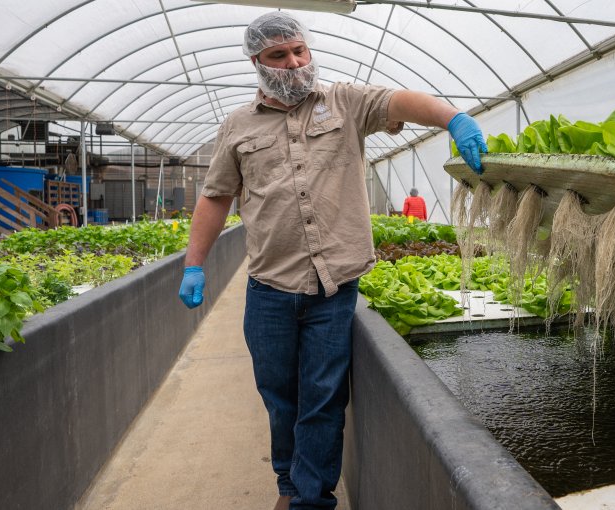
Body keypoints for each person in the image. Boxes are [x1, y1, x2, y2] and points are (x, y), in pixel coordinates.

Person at [175, 11, 486, 510]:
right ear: (258, 61)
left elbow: (399, 100)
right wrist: (194, 263)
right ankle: (288, 482)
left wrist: (452, 117)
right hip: (270, 287)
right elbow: (215, 197)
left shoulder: (345, 101)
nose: (294, 62)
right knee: (279, 397)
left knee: (321, 401)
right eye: (279, 55)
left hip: (333, 290)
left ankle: (309, 500)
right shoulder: (237, 125)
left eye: (300, 50)